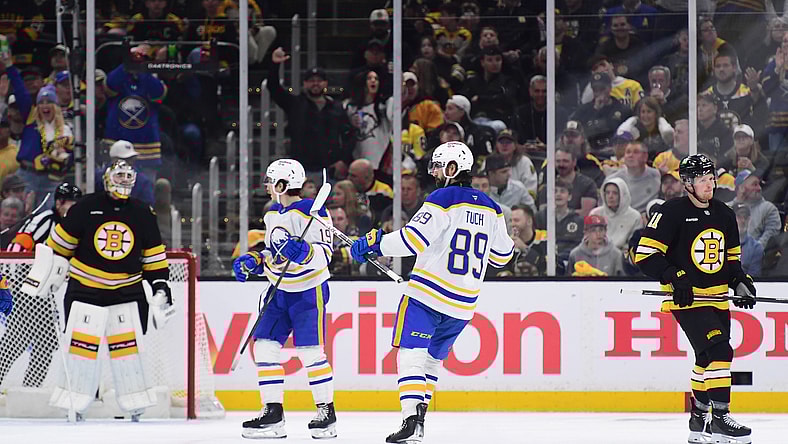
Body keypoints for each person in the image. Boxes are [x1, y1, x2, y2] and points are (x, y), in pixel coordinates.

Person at [348, 141, 513, 443]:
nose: (434, 172)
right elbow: (502, 257)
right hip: (464, 304)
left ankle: (411, 418)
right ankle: (419, 423)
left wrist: (377, 242)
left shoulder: (443, 196)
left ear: (452, 168)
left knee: (411, 354)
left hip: (427, 296)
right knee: (432, 362)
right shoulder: (492, 207)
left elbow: (412, 240)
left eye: (438, 166)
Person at [635, 154, 756, 444]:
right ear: (687, 183)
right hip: (688, 301)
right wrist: (675, 277)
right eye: (701, 179)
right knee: (720, 352)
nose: (709, 184)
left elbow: (731, 262)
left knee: (706, 359)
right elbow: (645, 256)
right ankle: (720, 418)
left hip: (716, 299)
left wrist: (741, 283)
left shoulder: (725, 214)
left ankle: (699, 417)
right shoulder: (671, 212)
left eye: (710, 178)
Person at [44, 159, 172, 421]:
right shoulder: (85, 207)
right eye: (120, 175)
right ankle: (75, 402)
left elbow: (153, 256)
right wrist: (49, 273)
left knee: (129, 349)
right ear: (107, 178)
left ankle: (135, 402)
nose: (125, 180)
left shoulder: (142, 212)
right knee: (82, 348)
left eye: (129, 175)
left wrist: (160, 286)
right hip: (85, 288)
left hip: (128, 290)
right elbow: (57, 246)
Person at [232, 158, 337, 439]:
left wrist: (303, 253)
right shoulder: (273, 214)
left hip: (307, 292)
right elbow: (273, 252)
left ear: (281, 184)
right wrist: (256, 259)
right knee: (264, 347)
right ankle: (273, 414)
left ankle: (327, 414)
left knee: (310, 352)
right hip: (277, 292)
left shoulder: (311, 212)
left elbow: (325, 254)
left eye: (270, 181)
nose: (266, 185)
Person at [0, 183, 81, 390]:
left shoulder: (74, 225)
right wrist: (15, 283)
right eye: (71, 206)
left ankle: (31, 389)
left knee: (45, 343)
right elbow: (18, 245)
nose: (74, 211)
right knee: (16, 341)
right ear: (59, 203)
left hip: (44, 292)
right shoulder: (45, 220)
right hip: (28, 290)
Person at [267, 47, 354, 181]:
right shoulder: (294, 104)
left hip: (330, 170)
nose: (315, 84)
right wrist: (275, 65)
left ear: (325, 83)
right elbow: (273, 88)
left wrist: (344, 161)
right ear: (305, 83)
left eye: (319, 80)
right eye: (311, 80)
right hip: (301, 170)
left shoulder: (336, 108)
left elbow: (349, 136)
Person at [94, 140, 155, 206]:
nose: (129, 162)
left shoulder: (142, 180)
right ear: (113, 159)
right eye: (124, 159)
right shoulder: (98, 177)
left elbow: (147, 205)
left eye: (131, 159)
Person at [590, 177, 643, 252]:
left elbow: (633, 245)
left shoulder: (635, 216)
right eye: (607, 193)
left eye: (615, 193)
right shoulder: (595, 213)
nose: (610, 196)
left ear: (623, 195)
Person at [733, 203, 764, 277]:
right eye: (739, 217)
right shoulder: (721, 244)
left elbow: (754, 277)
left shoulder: (756, 248)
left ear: (749, 219)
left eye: (745, 217)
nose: (743, 221)